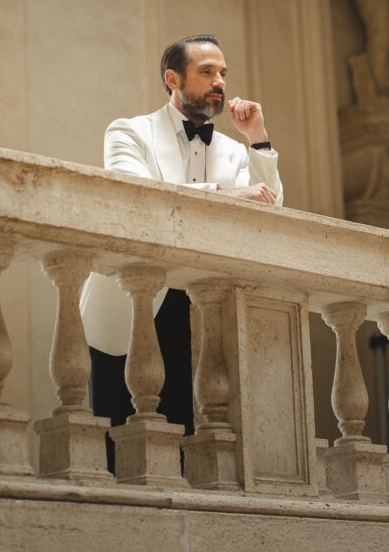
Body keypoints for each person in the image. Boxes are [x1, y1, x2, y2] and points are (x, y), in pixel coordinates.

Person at [82, 34, 281, 449]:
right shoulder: (128, 131)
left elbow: (270, 213)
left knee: (194, 441)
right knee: (117, 440)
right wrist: (227, 196)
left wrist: (258, 139)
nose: (219, 82)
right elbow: (138, 198)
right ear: (173, 79)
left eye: (223, 73)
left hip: (201, 308)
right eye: (207, 72)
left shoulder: (234, 151)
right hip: (131, 302)